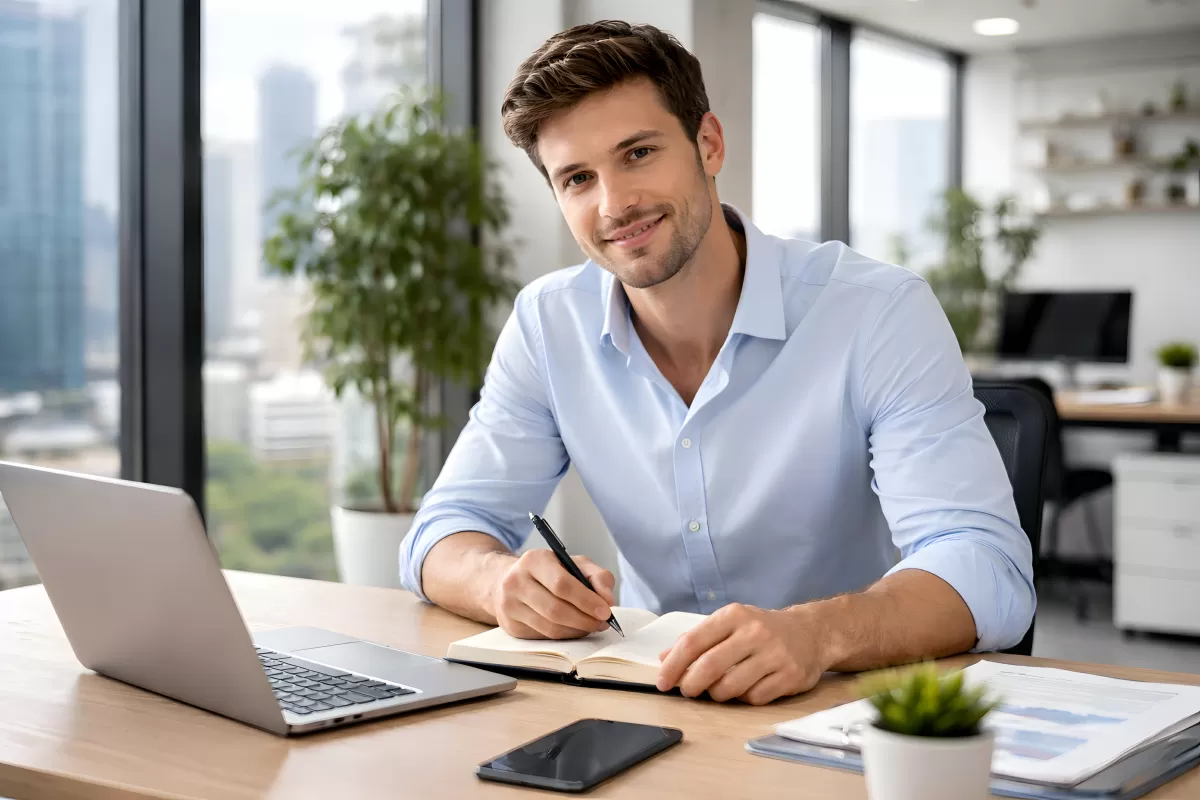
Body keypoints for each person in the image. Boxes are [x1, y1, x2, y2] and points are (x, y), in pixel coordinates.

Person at [398, 20, 1034, 706]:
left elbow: (986, 568)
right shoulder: (547, 323)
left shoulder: (876, 312)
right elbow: (442, 531)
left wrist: (815, 634)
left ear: (709, 144)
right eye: (578, 178)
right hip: (649, 700)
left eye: (638, 153)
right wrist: (503, 584)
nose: (614, 205)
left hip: (849, 705)